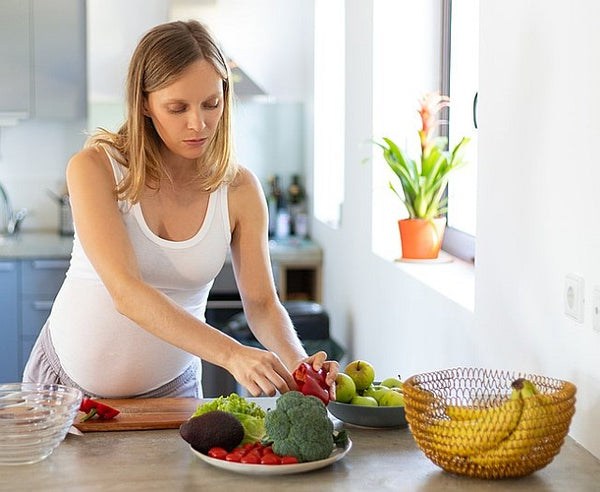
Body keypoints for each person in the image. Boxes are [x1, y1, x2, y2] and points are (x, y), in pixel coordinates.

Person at [23, 19, 338, 400]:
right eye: (177, 107)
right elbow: (127, 292)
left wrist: (300, 365)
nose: (198, 123)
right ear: (144, 103)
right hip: (66, 387)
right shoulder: (94, 168)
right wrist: (232, 354)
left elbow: (261, 304)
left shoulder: (240, 190)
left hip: (174, 391)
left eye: (212, 103)